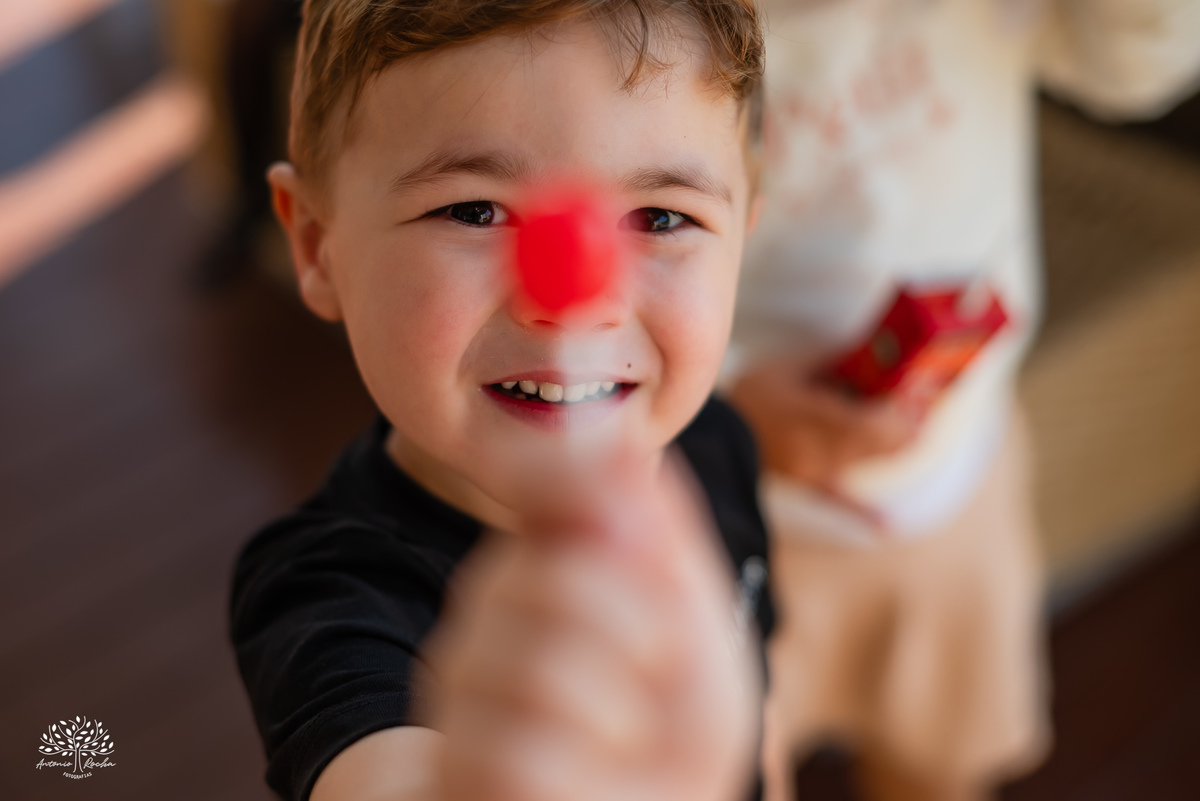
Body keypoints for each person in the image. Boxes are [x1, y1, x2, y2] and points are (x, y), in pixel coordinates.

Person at [228, 2, 776, 801]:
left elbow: (760, 713)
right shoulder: (329, 597)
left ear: (743, 242)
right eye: (474, 211)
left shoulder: (717, 442)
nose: (576, 301)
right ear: (316, 244)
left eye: (660, 218)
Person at [724, 1, 1200, 800]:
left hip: (955, 476)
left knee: (940, 765)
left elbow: (1141, 64)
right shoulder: (647, 34)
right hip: (714, 521)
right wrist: (724, 411)